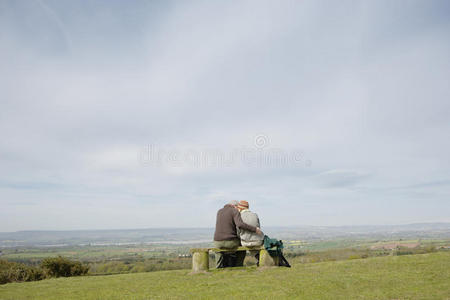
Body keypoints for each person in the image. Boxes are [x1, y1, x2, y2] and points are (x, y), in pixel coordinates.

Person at [213, 200, 263, 268]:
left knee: (218, 251)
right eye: (237, 207)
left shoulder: (219, 211)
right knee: (241, 247)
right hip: (230, 242)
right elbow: (239, 224)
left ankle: (218, 267)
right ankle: (238, 266)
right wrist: (254, 229)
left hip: (217, 242)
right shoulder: (234, 211)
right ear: (235, 206)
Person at [236, 200, 264, 266]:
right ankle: (259, 260)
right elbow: (258, 227)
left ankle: (237, 264)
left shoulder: (239, 216)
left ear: (240, 208)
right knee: (255, 245)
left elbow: (238, 231)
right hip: (258, 241)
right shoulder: (255, 215)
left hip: (246, 242)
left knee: (244, 242)